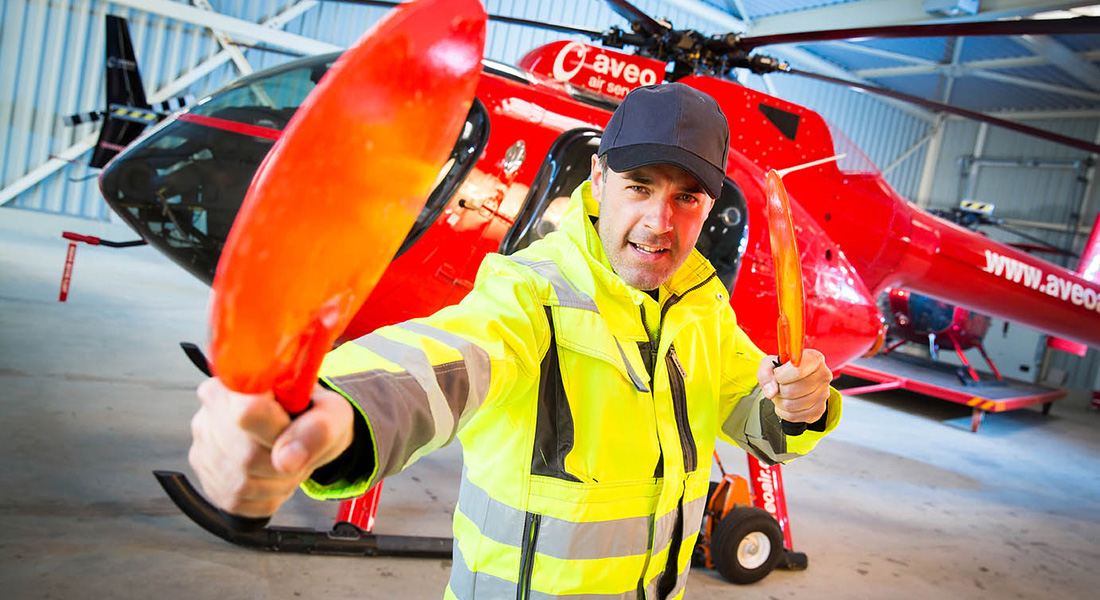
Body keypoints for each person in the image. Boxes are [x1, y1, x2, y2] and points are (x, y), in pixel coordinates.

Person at [189, 82, 840, 599]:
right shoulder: (531, 292)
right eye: (640, 187)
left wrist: (799, 406)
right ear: (598, 179)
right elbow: (455, 356)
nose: (659, 222)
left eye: (687, 198)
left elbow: (758, 421)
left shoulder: (705, 310)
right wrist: (336, 412)